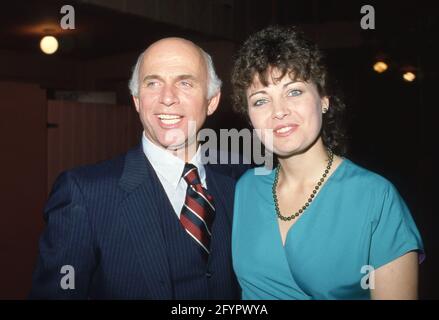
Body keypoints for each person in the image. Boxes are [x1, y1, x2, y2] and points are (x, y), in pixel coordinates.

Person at [30, 37, 245, 299]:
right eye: (153, 83)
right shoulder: (84, 194)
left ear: (212, 101)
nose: (167, 98)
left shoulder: (242, 182)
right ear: (136, 100)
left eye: (185, 83)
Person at [230, 25, 424, 300]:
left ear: (323, 100)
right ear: (250, 118)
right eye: (261, 100)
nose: (279, 111)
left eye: (294, 91)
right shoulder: (246, 188)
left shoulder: (375, 197)